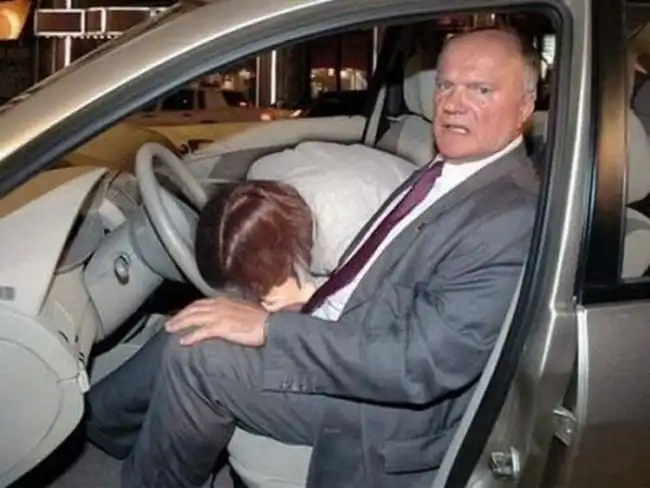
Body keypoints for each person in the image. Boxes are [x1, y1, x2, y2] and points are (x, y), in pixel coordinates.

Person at [93, 27, 541, 488]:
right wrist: (309, 303)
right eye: (446, 85)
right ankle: (98, 427)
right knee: (199, 320)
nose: (452, 103)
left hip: (379, 405)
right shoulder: (450, 170)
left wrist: (274, 329)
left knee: (199, 358)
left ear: (525, 107)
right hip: (348, 336)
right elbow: (380, 277)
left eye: (481, 90)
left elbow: (418, 365)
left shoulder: (507, 216)